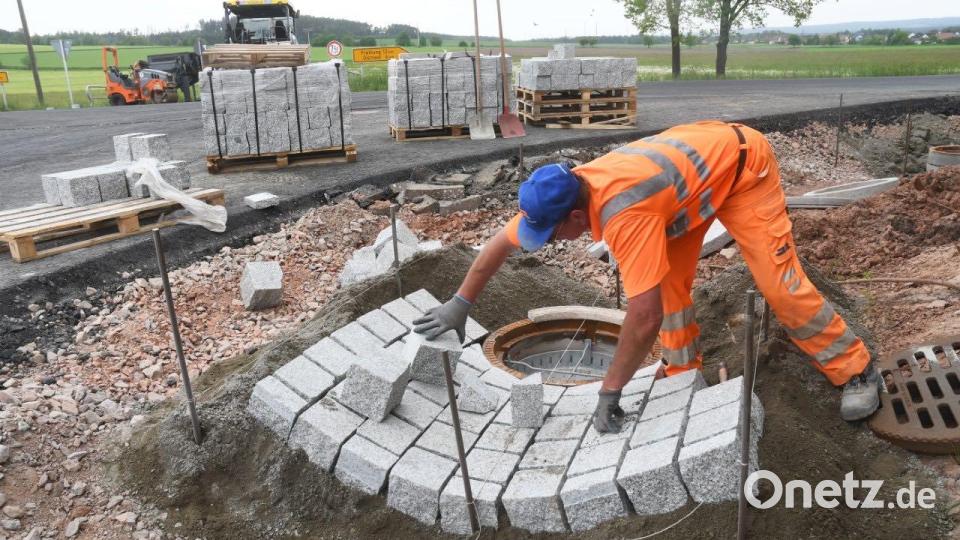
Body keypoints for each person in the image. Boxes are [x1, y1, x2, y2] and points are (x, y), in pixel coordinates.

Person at [413, 120, 880, 433]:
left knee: (779, 286)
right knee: (670, 286)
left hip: (742, 168)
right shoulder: (558, 192)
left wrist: (610, 390)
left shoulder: (625, 215)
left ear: (576, 217)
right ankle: (682, 368)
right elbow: (498, 245)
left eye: (552, 235)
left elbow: (643, 316)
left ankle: (855, 369)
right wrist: (460, 305)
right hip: (684, 190)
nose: (550, 242)